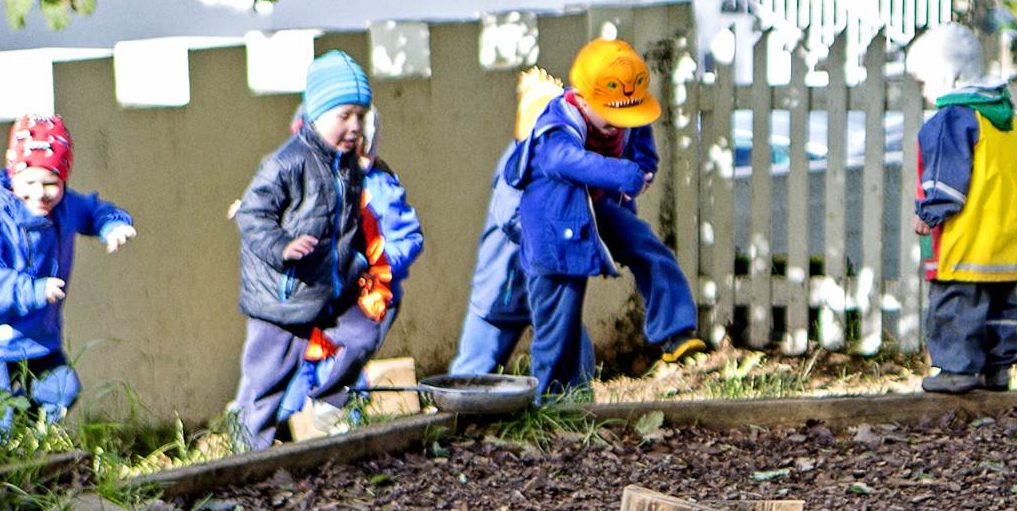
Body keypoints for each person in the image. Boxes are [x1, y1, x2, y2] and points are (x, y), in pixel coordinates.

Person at [508, 40, 705, 396]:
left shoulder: (624, 114)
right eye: (613, 116)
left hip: (597, 213)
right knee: (559, 323)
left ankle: (675, 332)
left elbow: (642, 148)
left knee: (649, 249)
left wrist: (641, 172)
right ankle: (549, 401)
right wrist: (620, 173)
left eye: (627, 115)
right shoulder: (558, 122)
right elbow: (560, 161)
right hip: (553, 232)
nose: (620, 124)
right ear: (581, 100)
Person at [230, 51, 379, 450]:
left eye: (360, 116)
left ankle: (330, 401)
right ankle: (244, 455)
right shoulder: (286, 162)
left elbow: (347, 221)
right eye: (343, 115)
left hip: (330, 288)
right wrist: (283, 247)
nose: (354, 126)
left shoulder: (347, 165)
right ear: (316, 113)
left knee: (364, 333)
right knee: (265, 384)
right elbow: (252, 215)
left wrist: (359, 260)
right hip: (283, 297)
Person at [0, 114, 135, 427]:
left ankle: (28, 438)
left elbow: (94, 210)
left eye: (51, 183)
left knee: (61, 388)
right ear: (13, 177)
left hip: (39, 337)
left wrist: (112, 224)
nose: (40, 193)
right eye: (30, 183)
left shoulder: (64, 207)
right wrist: (32, 290)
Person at [277, 108, 424, 425]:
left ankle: (345, 426)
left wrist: (372, 264)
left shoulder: (378, 187)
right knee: (300, 353)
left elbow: (408, 238)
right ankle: (286, 422)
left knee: (341, 359)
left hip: (365, 296)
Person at [908, 22, 1017, 394]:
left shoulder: (953, 119)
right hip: (1006, 241)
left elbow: (947, 176)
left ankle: (957, 369)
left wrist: (930, 211)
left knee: (956, 306)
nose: (927, 92)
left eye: (926, 82)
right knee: (1000, 310)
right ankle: (996, 370)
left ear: (948, 76)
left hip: (967, 240)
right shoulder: (1008, 118)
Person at [449, 69, 563, 376]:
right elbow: (509, 215)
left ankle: (569, 402)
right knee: (474, 369)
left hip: (541, 284)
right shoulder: (515, 165)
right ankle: (454, 417)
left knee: (570, 347)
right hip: (502, 287)